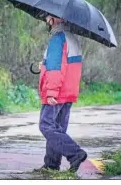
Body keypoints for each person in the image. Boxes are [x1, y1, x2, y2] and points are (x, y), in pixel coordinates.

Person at [36, 14, 87, 172]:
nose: (46, 18)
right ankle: (51, 165)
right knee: (57, 128)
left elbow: (56, 69)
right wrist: (43, 66)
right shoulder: (71, 38)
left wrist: (51, 92)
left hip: (57, 92)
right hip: (67, 92)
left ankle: (75, 154)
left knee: (46, 125)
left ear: (57, 18)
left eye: (49, 16)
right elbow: (66, 66)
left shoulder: (58, 39)